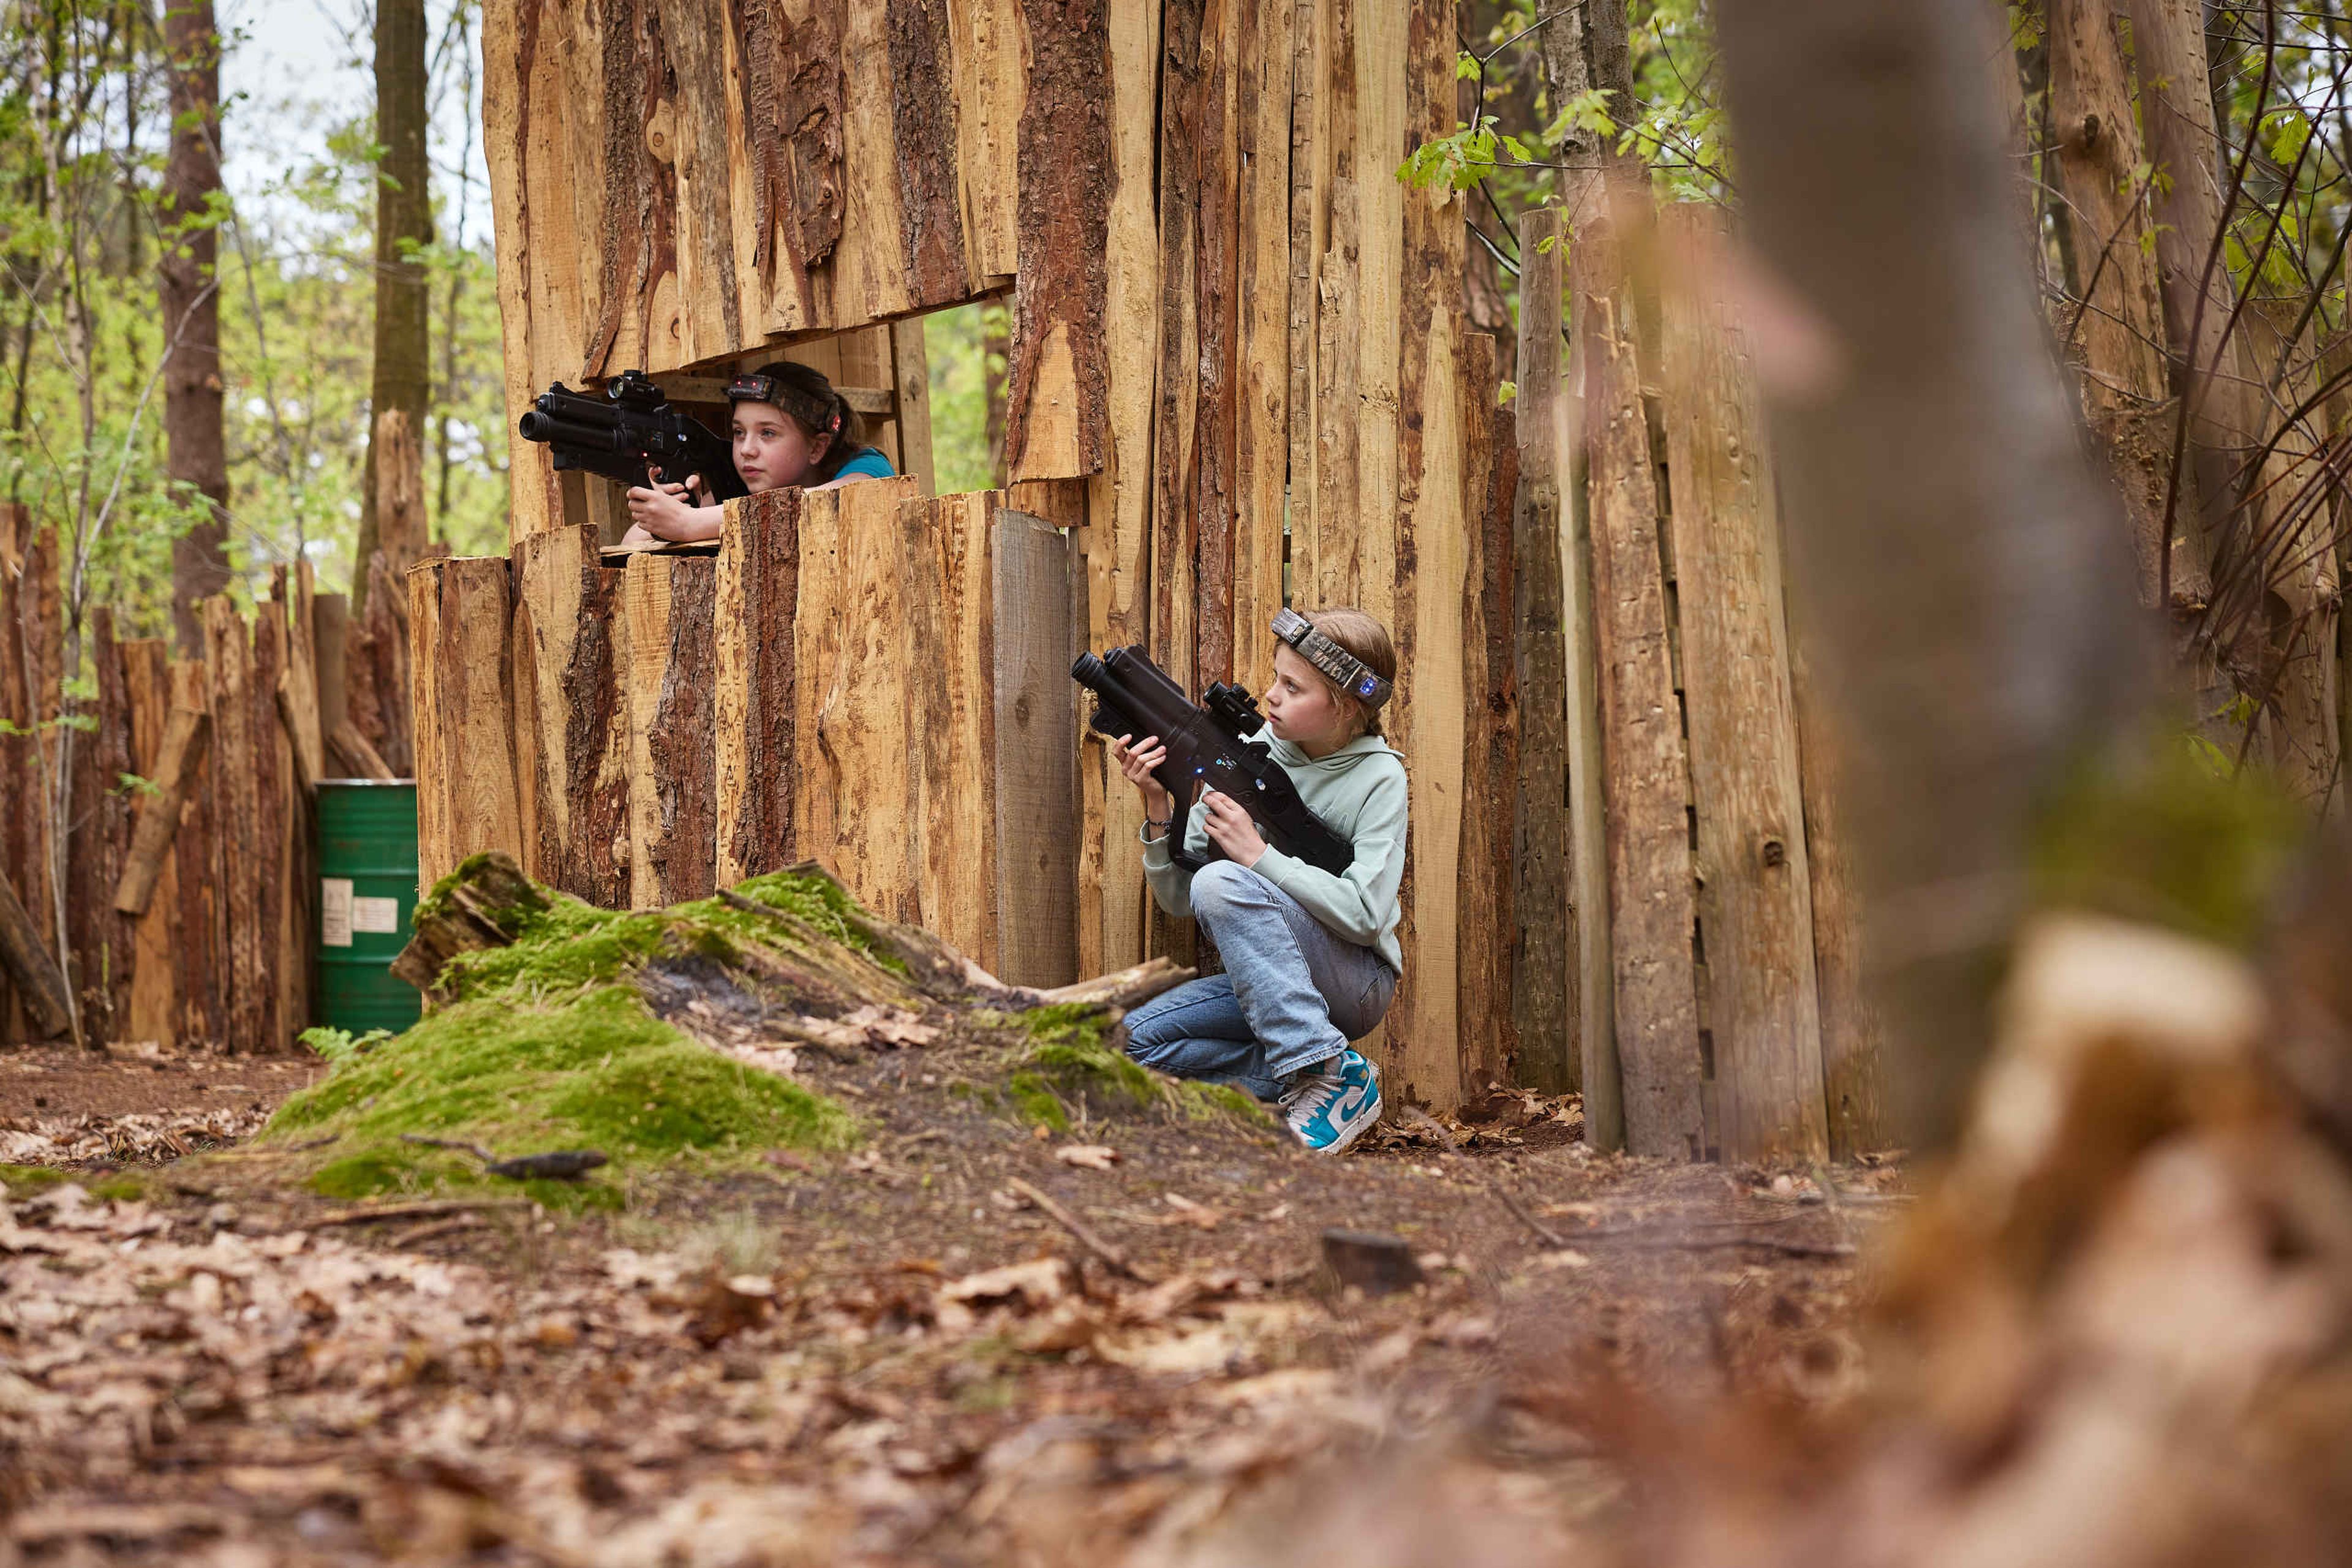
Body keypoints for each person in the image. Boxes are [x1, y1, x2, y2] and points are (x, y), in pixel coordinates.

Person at [1106, 609, 1407, 1155]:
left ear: (1345, 707)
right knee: (1125, 1046)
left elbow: (1366, 916)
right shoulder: (1246, 753)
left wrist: (1259, 856)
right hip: (1266, 985)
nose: (1272, 696)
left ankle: (1320, 1069)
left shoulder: (1380, 777)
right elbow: (1181, 898)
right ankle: (1326, 1078)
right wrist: (1157, 804)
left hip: (1354, 981)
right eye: (1276, 678)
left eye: (1293, 687)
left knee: (1223, 879)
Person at [620, 361, 895, 546]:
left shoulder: (868, 467)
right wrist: (669, 509)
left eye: (768, 433)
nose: (747, 449)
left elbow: (834, 500)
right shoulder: (738, 487)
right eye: (739, 432)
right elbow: (631, 544)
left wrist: (690, 523)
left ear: (816, 448)